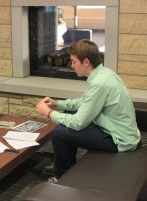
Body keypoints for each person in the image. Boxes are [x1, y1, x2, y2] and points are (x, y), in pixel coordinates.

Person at [36, 39, 141, 183]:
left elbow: (78, 123)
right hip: (117, 130)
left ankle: (60, 178)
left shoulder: (99, 83)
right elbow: (85, 102)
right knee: (68, 115)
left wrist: (49, 113)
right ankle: (65, 166)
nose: (72, 65)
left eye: (73, 62)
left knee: (59, 132)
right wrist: (57, 103)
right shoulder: (104, 73)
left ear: (86, 62)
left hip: (118, 140)